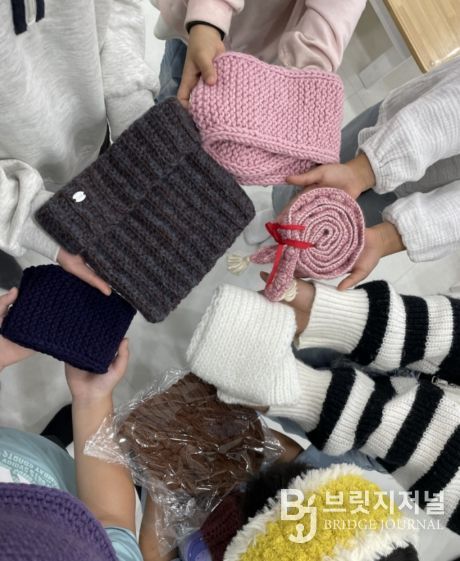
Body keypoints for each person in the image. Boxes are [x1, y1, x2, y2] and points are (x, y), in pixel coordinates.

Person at [0, 1, 157, 292]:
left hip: (96, 143)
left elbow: (114, 7)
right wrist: (22, 217)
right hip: (10, 196)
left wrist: (133, 117)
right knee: (24, 285)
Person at [274, 56, 460, 290]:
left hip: (423, 190)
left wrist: (389, 237)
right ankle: (274, 212)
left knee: (331, 231)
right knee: (313, 177)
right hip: (402, 127)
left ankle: (282, 236)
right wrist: (362, 171)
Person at [0, 293, 141, 560]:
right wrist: (93, 400)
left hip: (29, 451)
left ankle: (59, 436)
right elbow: (113, 520)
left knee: (55, 441)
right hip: (82, 483)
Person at [151, 0, 367, 105]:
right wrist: (208, 15)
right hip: (197, 26)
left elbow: (334, 16)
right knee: (173, 90)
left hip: (257, 54)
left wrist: (303, 80)